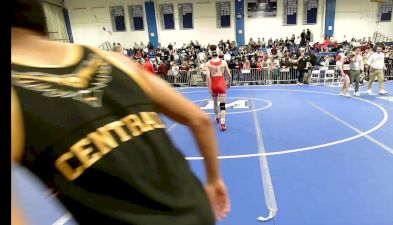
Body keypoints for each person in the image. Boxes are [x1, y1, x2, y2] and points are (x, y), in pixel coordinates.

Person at [11, 1, 230, 224]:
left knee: (216, 103)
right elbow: (199, 120)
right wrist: (213, 180)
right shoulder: (115, 61)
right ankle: (222, 120)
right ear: (43, 19)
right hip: (196, 211)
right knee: (218, 104)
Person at [205, 45, 232, 131]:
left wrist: (209, 88)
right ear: (218, 53)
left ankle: (217, 117)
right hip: (221, 84)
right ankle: (223, 123)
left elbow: (208, 77)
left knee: (215, 103)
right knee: (223, 105)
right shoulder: (223, 62)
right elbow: (229, 75)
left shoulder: (208, 64)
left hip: (214, 84)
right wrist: (229, 84)